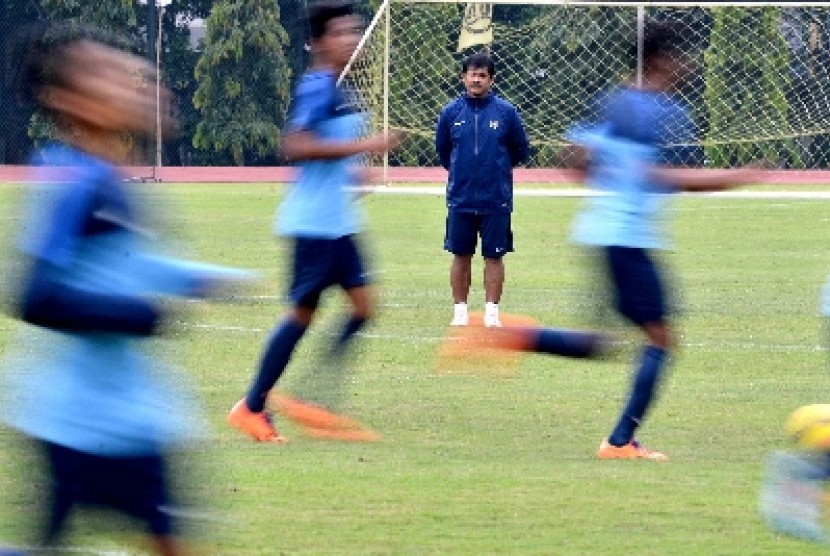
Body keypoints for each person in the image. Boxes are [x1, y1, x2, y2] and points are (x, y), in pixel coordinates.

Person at [1, 25, 253, 555]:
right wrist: (137, 316)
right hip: (83, 419)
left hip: (121, 414)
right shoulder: (77, 182)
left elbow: (128, 263)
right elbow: (34, 295)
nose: (129, 82)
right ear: (70, 103)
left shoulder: (105, 177)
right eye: (108, 75)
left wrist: (195, 278)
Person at [567, 22, 764, 461]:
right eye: (682, 55)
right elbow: (677, 178)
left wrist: (615, 174)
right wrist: (738, 176)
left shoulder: (614, 101)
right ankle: (619, 441)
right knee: (658, 338)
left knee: (602, 342)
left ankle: (503, 337)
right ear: (660, 59)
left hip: (601, 233)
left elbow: (574, 160)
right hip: (627, 239)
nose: (688, 64)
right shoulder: (661, 110)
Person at [227, 0, 403, 443]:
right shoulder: (318, 87)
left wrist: (352, 171)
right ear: (321, 41)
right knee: (301, 316)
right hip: (314, 225)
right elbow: (296, 144)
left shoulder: (341, 89)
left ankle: (306, 401)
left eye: (356, 32)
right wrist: (369, 148)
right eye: (344, 32)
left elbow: (326, 151)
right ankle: (253, 406)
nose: (353, 40)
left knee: (362, 308)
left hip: (338, 223)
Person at [435, 52, 530, 328]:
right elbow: (443, 151)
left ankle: (491, 313)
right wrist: (462, 173)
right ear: (463, 77)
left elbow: (520, 150)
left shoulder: (506, 112)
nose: (476, 80)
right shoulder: (451, 112)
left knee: (494, 256)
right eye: (472, 74)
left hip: (496, 198)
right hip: (461, 199)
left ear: (491, 80)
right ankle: (460, 311)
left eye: (482, 75)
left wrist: (496, 170)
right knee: (460, 254)